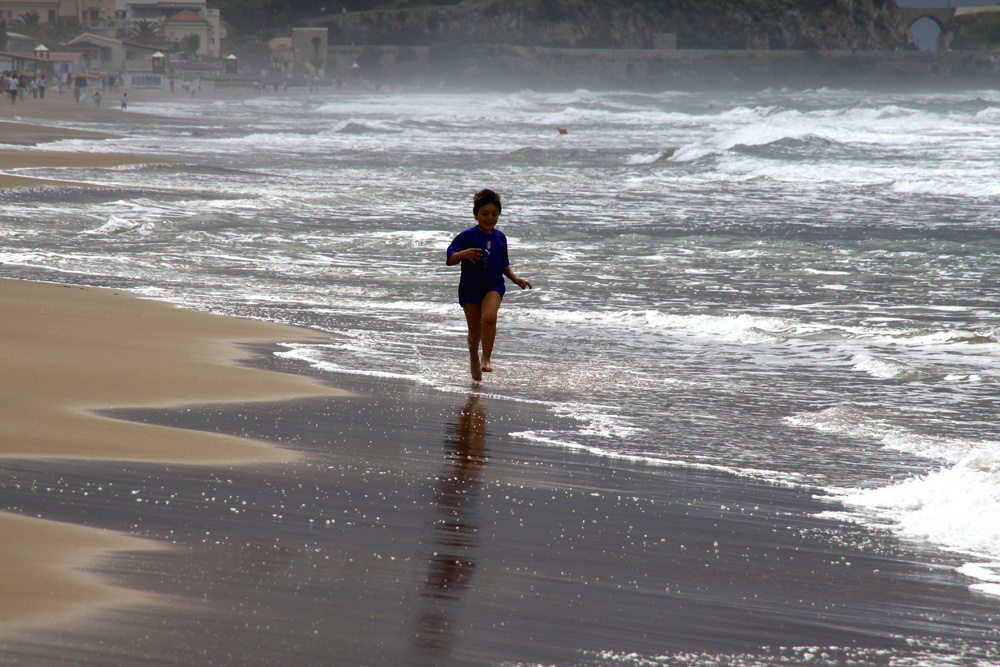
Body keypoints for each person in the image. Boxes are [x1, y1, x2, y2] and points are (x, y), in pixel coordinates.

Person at [446, 188, 532, 382]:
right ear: (476, 214)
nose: (490, 218)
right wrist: (462, 254)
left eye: (494, 214)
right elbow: (450, 258)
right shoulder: (467, 236)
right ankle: (473, 358)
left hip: (494, 285)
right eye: (485, 214)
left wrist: (514, 278)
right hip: (470, 287)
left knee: (490, 317)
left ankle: (486, 358)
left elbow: (503, 264)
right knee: (475, 333)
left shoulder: (500, 238)